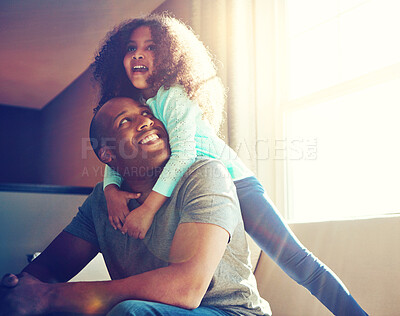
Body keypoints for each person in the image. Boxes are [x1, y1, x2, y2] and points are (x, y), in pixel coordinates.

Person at [92, 14, 368, 315]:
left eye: (151, 47)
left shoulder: (175, 97)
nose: (139, 54)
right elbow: (115, 149)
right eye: (131, 49)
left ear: (171, 56)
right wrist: (110, 190)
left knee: (297, 262)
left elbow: (183, 155)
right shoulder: (137, 106)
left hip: (235, 183)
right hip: (199, 190)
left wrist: (147, 210)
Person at [0, 97, 271, 316]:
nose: (146, 122)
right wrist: (18, 289)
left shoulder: (206, 175)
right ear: (108, 154)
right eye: (125, 121)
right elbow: (48, 269)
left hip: (230, 311)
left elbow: (186, 289)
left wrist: (51, 297)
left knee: (131, 312)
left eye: (146, 113)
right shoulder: (102, 201)